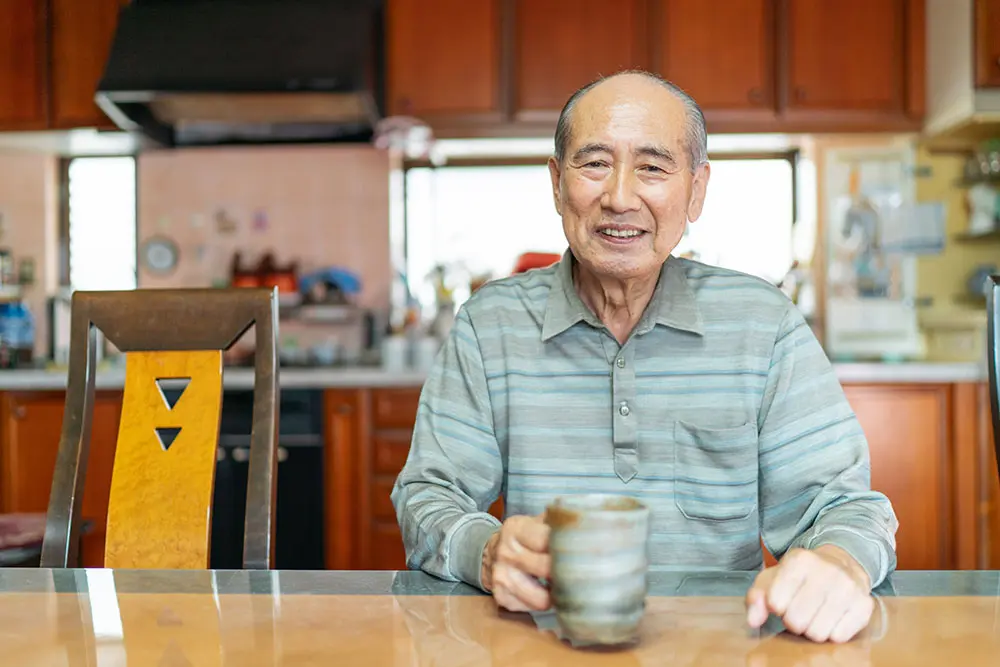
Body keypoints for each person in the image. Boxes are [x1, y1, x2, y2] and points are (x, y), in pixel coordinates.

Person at [390, 69, 898, 645]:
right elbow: (427, 495)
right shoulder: (491, 324)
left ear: (697, 190)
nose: (621, 197)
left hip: (721, 649)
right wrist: (485, 552)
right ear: (557, 183)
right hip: (544, 646)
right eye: (594, 164)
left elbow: (846, 507)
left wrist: (838, 565)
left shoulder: (764, 323)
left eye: (653, 167)